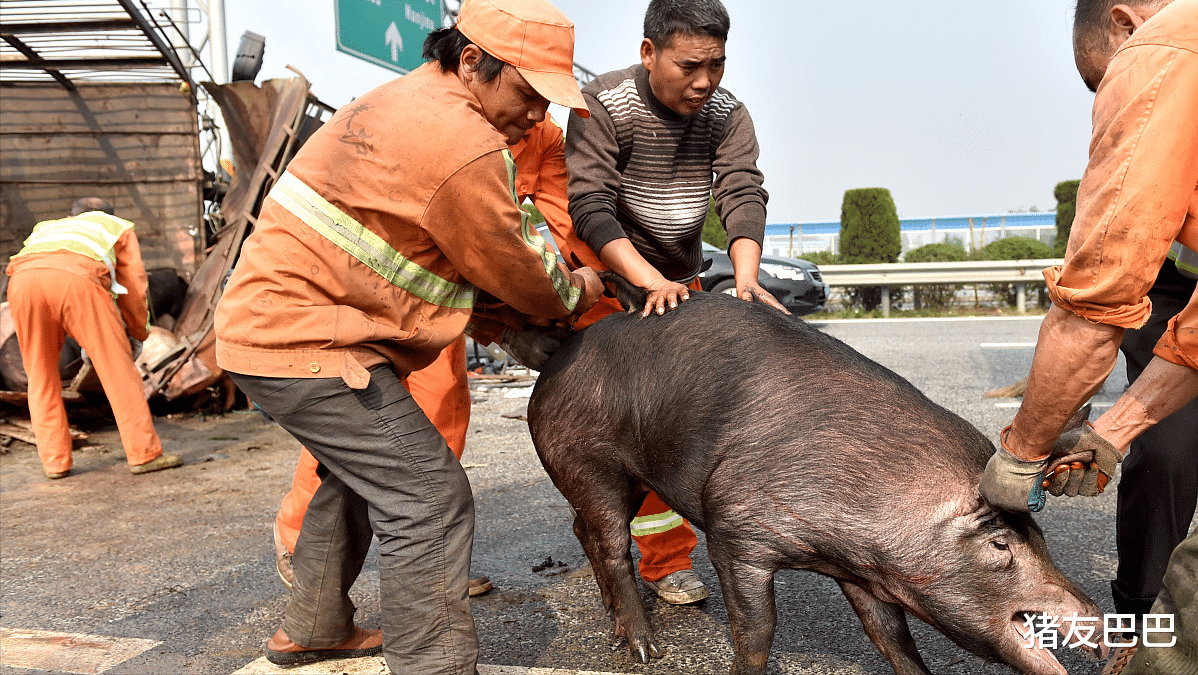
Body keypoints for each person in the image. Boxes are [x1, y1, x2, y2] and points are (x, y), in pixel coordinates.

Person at [213, 0, 602, 670]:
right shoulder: (464, 141)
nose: (540, 115)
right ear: (474, 62)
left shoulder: (402, 100)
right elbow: (524, 272)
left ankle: (314, 625)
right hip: (305, 339)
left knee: (362, 474)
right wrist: (578, 290)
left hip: (277, 325)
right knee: (429, 497)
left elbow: (423, 257)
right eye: (531, 94)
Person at [976, 1, 1198, 674]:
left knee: (1185, 620)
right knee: (1165, 454)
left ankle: (1146, 650)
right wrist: (1114, 431)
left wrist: (1020, 454)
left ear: (1126, 25)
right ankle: (1136, 616)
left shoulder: (1163, 54)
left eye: (1105, 82)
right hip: (1174, 290)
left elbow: (1097, 301)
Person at [270, 114, 574, 597]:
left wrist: (560, 293)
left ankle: (436, 559)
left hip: (445, 288)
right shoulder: (437, 124)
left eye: (543, 99)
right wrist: (506, 328)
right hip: (375, 283)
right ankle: (298, 538)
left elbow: (554, 226)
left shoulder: (543, 137)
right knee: (352, 412)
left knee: (442, 407)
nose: (533, 110)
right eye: (527, 94)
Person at [560, 0, 787, 605]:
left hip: (680, 285)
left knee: (675, 424)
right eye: (690, 66)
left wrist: (743, 279)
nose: (705, 81)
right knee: (609, 429)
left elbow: (741, 189)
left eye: (715, 65)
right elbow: (591, 206)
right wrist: (642, 280)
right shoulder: (602, 104)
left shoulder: (727, 112)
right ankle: (607, 548)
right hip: (607, 284)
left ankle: (667, 561)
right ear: (648, 53)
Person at [6, 197, 182, 480]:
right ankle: (144, 454)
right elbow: (133, 285)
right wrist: (138, 332)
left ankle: (55, 463)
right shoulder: (116, 227)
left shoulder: (49, 226)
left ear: (71, 215)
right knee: (117, 370)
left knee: (39, 375)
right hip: (76, 281)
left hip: (21, 282)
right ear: (108, 215)